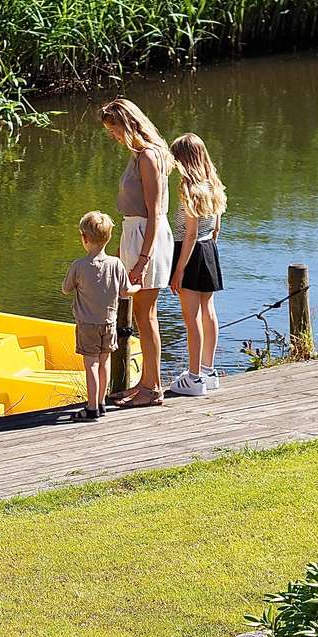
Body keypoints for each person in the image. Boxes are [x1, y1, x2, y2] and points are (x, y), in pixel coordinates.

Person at [100, 97, 174, 408]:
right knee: (143, 314)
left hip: (148, 236)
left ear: (128, 125)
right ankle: (145, 382)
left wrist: (142, 260)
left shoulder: (148, 156)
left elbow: (155, 212)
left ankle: (153, 387)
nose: (112, 136)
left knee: (146, 315)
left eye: (114, 129)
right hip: (135, 233)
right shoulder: (138, 155)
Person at [167, 132, 226, 397]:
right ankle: (209, 370)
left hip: (189, 252)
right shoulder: (213, 183)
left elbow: (189, 233)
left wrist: (179, 269)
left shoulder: (188, 188)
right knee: (208, 311)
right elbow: (216, 227)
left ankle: (193, 377)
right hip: (209, 249)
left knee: (191, 319)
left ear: (183, 160)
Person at [62, 211, 130, 421]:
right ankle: (101, 402)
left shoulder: (79, 266)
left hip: (86, 325)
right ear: (108, 238)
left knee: (91, 364)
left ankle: (91, 408)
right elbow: (125, 291)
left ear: (84, 238)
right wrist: (138, 284)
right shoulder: (116, 264)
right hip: (109, 323)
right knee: (104, 362)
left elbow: (66, 289)